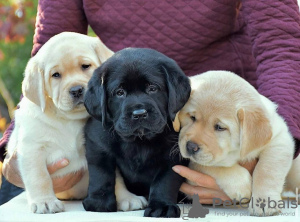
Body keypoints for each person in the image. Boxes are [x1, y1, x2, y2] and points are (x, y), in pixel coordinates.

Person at [1, 0, 300, 205]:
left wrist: (254, 157)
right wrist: (16, 145)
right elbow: (50, 54)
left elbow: (281, 45)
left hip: (222, 127)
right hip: (118, 137)